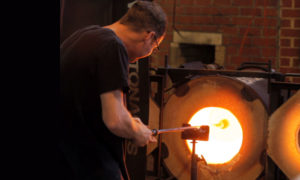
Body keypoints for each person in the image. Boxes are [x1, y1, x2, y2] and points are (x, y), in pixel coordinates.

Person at [59, 1, 167, 180]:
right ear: (150, 36)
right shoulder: (112, 47)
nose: (149, 52)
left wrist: (130, 122)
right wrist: (137, 132)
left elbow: (87, 105)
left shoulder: (82, 36)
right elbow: (115, 120)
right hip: (89, 166)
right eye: (154, 48)